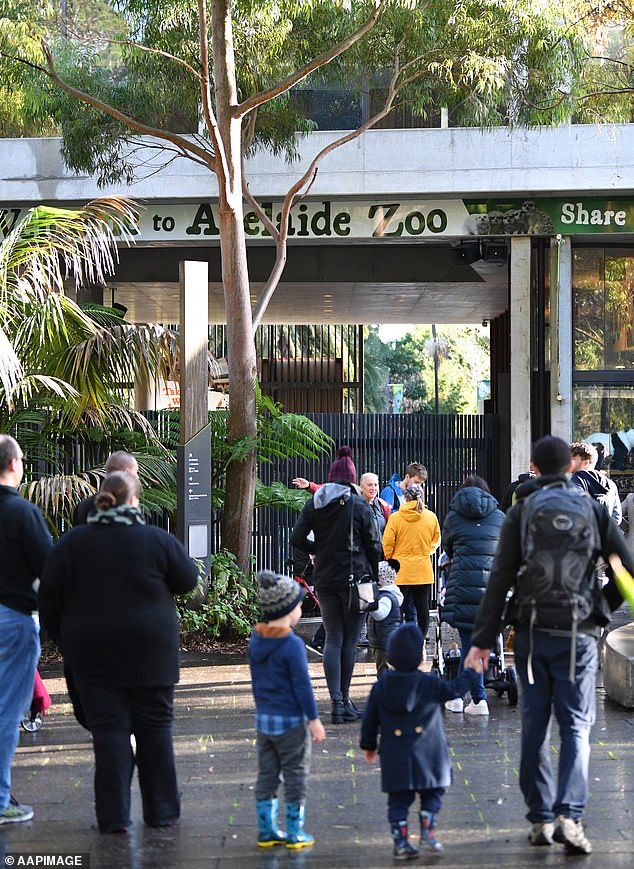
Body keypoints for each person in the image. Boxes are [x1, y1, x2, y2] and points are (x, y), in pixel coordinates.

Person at [464, 435, 634, 855]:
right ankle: (570, 817)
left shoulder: (521, 512)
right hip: (580, 634)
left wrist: (483, 642)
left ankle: (540, 818)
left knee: (535, 724)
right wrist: (600, 607)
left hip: (532, 634)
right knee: (576, 726)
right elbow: (627, 568)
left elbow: (500, 578)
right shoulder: (593, 510)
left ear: (536, 468)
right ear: (570, 468)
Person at [39, 472, 198, 833]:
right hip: (152, 654)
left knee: (109, 732)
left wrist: (68, 641)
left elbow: (48, 601)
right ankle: (162, 812)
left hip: (92, 653)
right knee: (156, 728)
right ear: (135, 501)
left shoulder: (72, 544)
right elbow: (188, 581)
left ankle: (113, 818)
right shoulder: (157, 540)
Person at [360, 623, 481, 860]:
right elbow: (454, 689)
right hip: (429, 752)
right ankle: (428, 832)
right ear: (419, 655)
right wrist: (471, 671)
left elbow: (370, 720)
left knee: (398, 800)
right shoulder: (428, 683)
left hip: (395, 754)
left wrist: (369, 746)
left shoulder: (381, 686)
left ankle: (401, 842)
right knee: (433, 791)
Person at [291, 447, 379, 724]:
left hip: (326, 579)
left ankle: (337, 703)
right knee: (350, 641)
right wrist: (372, 570)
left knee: (333, 638)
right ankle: (344, 700)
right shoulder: (359, 504)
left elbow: (296, 538)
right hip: (356, 580)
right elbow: (374, 545)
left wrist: (319, 548)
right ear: (352, 478)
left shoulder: (315, 502)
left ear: (330, 478)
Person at [248, 570, 326, 850]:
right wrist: (314, 720)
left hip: (265, 721)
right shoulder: (292, 644)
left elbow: (258, 682)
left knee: (267, 774)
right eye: (299, 604)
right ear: (287, 608)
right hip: (291, 723)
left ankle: (266, 830)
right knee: (295, 774)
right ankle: (295, 832)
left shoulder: (256, 640)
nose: (302, 608)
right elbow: (302, 687)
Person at [0, 435, 52, 825]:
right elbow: (50, 570)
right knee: (6, 712)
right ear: (15, 465)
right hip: (13, 621)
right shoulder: (23, 514)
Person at [441, 475, 504, 716]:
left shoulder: (454, 517)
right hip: (492, 588)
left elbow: (448, 548)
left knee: (470, 644)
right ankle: (473, 698)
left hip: (464, 585)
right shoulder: (499, 516)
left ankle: (470, 698)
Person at [382, 483, 441, 651]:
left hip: (400, 569)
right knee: (422, 607)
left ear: (405, 497)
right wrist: (425, 552)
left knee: (398, 607)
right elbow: (436, 540)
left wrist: (391, 558)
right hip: (423, 569)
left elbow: (387, 542)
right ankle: (419, 640)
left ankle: (397, 638)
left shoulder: (396, 517)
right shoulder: (431, 517)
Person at [73, 450, 139, 525]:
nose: (137, 477)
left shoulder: (82, 506)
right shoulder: (130, 505)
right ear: (126, 472)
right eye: (136, 472)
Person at [366, 559, 403, 677]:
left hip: (383, 641)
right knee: (387, 669)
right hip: (385, 639)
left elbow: (380, 615)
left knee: (383, 670)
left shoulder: (385, 597)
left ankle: (386, 692)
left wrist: (369, 605)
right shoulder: (389, 595)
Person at [570, 441, 622, 524]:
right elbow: (617, 518)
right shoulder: (611, 484)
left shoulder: (579, 478)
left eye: (573, 459)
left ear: (586, 462)